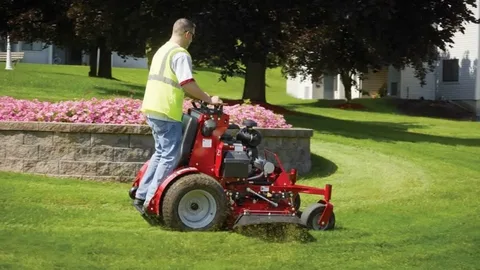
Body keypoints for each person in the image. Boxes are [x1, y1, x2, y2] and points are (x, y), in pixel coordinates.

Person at [133, 18, 222, 213]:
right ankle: (151, 201)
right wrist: (209, 99)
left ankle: (141, 195)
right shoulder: (181, 54)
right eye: (193, 37)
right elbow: (187, 83)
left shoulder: (163, 50)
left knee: (161, 153)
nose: (192, 41)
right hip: (166, 110)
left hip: (153, 108)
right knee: (170, 156)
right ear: (188, 34)